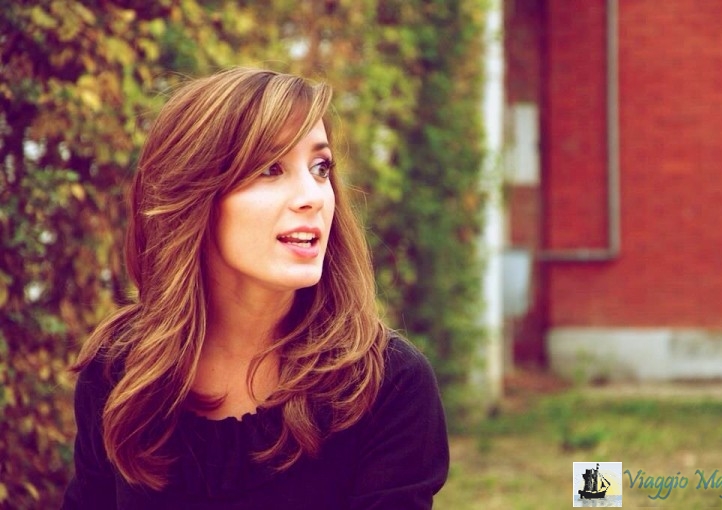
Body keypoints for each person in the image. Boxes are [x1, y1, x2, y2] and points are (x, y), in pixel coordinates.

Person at [62, 67, 449, 509]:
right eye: (270, 168)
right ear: (195, 197)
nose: (313, 196)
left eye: (320, 168)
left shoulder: (386, 385)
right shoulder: (120, 370)